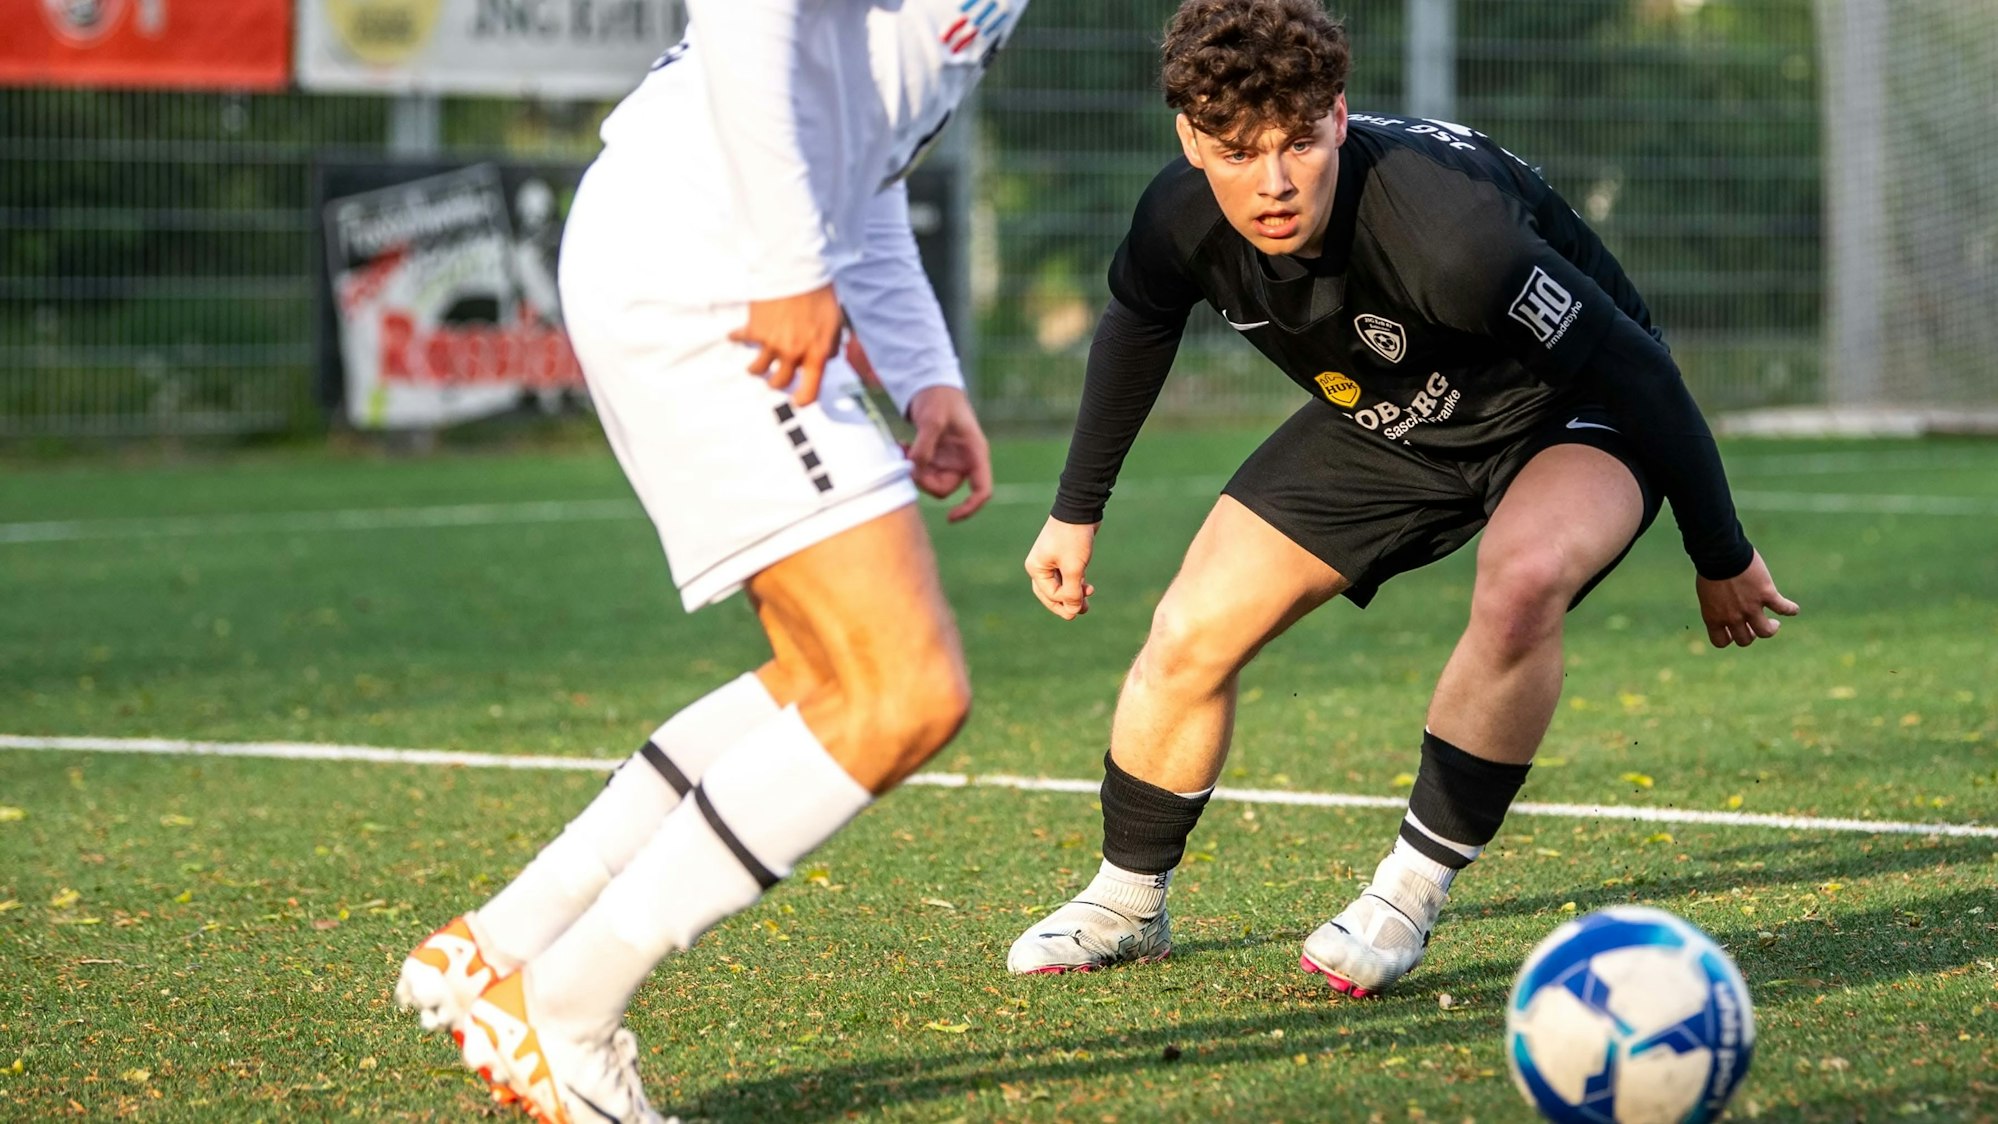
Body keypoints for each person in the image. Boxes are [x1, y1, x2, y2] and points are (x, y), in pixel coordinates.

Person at [1006, 0, 1797, 999]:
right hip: (1391, 416)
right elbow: (1137, 320)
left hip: (1567, 408)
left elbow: (1637, 368)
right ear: (1191, 139)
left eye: (1298, 141)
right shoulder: (1180, 215)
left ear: (1339, 115)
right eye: (1239, 151)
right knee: (1189, 627)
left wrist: (1719, 550)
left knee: (1521, 584)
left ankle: (1407, 892)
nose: (1275, 181)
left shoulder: (1452, 235)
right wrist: (1077, 508)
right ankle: (1125, 901)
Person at [391, 1, 1025, 1120]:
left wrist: (926, 372)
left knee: (823, 682)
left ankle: (501, 943)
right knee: (903, 692)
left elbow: (860, 160)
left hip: (696, 248)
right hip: (708, 266)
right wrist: (784, 262)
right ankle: (563, 1012)